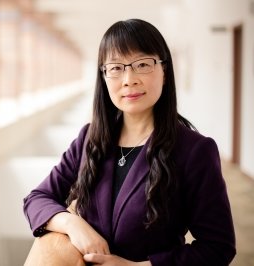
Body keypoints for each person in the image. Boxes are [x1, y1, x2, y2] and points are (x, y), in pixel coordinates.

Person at [23, 19, 236, 265]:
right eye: (115, 68)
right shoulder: (89, 139)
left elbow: (218, 248)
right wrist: (72, 224)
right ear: (103, 76)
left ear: (164, 71)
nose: (129, 79)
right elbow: (37, 198)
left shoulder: (195, 150)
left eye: (143, 64)